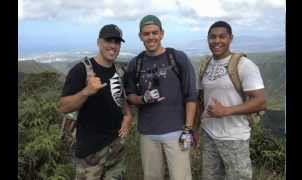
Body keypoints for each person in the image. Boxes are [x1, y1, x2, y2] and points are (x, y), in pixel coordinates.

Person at [125, 15, 198, 180]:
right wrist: (142, 99)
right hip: (148, 134)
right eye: (146, 34)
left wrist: (188, 129)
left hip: (177, 132)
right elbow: (130, 96)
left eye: (154, 32)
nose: (151, 37)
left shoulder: (178, 58)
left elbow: (191, 96)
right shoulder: (135, 64)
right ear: (140, 36)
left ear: (162, 33)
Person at [58, 24, 132, 180]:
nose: (113, 46)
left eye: (117, 42)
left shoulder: (119, 72)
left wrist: (127, 115)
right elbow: (64, 106)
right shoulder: (81, 70)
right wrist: (86, 91)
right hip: (90, 152)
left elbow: (120, 98)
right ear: (99, 42)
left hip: (116, 149)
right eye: (108, 40)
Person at [198, 21, 266, 180]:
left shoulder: (244, 65)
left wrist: (227, 111)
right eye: (212, 37)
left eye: (222, 36)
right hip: (209, 134)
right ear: (208, 39)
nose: (217, 41)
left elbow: (261, 101)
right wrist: (195, 129)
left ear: (231, 38)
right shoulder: (205, 64)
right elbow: (201, 99)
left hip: (234, 137)